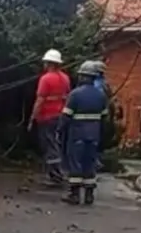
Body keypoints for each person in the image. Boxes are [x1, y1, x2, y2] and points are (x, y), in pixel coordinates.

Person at [58, 61, 109, 205]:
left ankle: (74, 195)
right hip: (94, 135)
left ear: (82, 77)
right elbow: (105, 118)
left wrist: (59, 130)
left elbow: (66, 116)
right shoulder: (100, 96)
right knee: (90, 163)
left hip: (77, 134)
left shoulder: (75, 95)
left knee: (75, 163)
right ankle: (89, 195)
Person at [28, 48, 71, 186]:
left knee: (49, 145)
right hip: (61, 115)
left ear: (49, 63)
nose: (44, 65)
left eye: (46, 63)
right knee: (57, 143)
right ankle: (59, 172)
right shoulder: (65, 78)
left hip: (47, 116)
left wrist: (32, 117)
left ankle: (55, 175)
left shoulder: (45, 79)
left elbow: (40, 100)